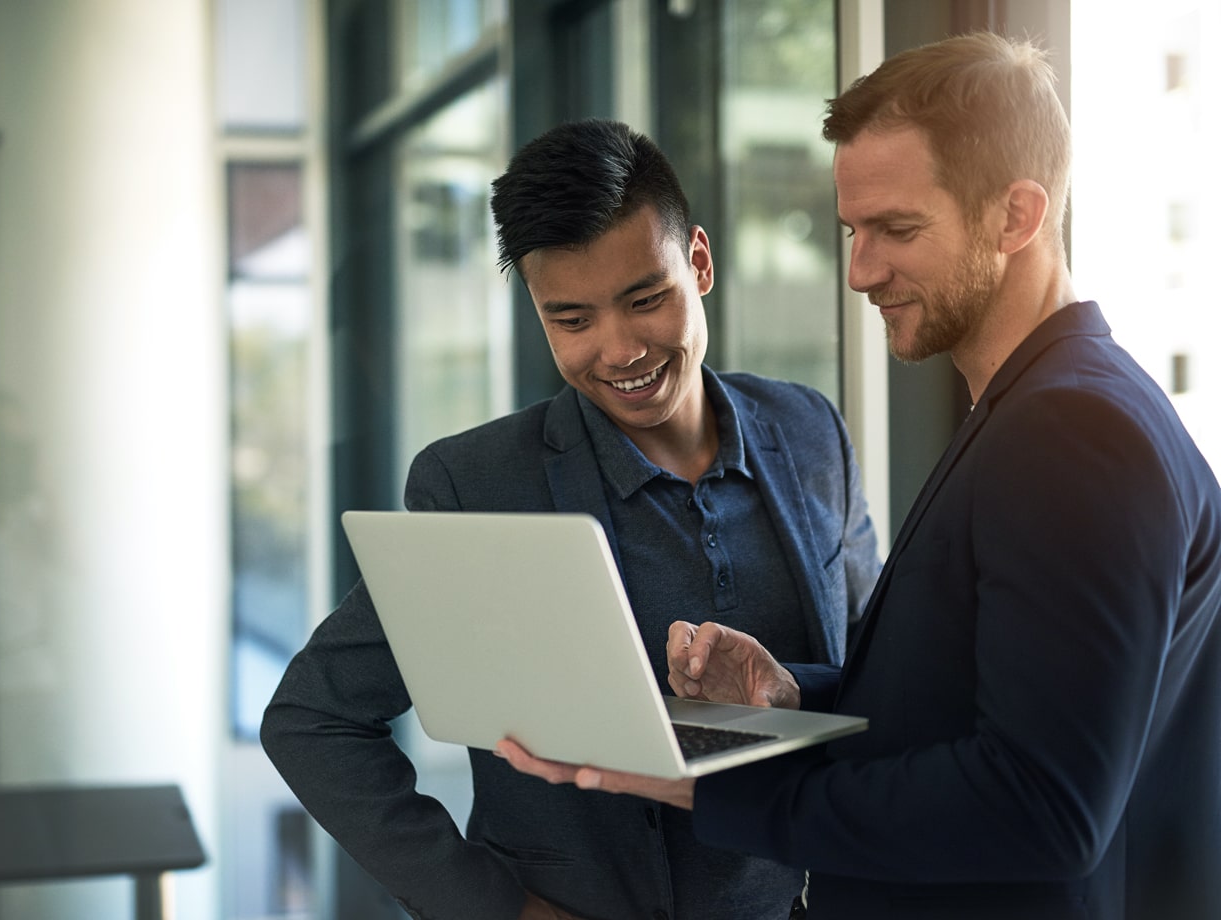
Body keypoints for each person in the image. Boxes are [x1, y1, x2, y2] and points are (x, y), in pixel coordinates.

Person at [498, 32, 1221, 920]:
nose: (860, 271)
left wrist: (710, 788)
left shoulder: (1070, 432)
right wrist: (792, 694)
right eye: (852, 231)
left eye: (897, 230)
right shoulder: (1042, 408)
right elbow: (998, 701)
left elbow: (1043, 804)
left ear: (1017, 216)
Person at [261, 118, 881, 920]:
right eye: (573, 319)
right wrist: (498, 909)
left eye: (645, 300)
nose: (618, 350)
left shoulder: (809, 432)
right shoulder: (478, 486)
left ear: (698, 262)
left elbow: (879, 679)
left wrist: (791, 693)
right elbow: (314, 718)